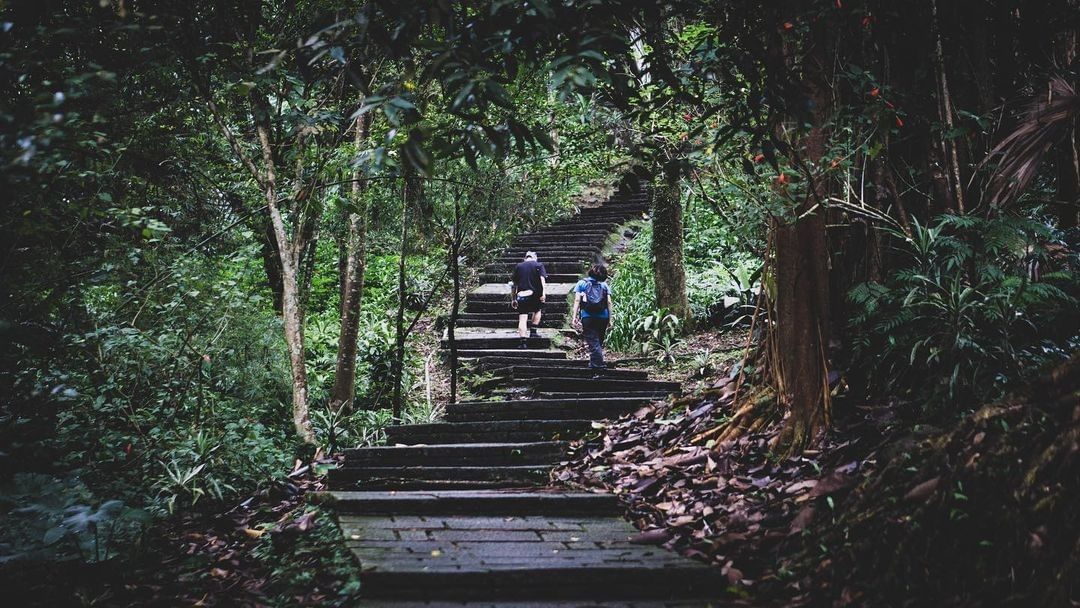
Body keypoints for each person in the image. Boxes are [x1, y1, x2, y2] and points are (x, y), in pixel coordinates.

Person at [571, 263, 613, 370]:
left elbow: (577, 300)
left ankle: (597, 366)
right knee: (598, 341)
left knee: (593, 342)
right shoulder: (604, 285)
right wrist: (610, 319)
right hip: (603, 316)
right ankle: (595, 363)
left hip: (588, 316)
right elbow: (609, 302)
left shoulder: (581, 283)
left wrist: (574, 317)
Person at [509, 251, 547, 348]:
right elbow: (542, 280)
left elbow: (514, 285)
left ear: (525, 258)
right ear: (535, 257)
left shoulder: (519, 266)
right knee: (538, 310)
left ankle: (523, 342)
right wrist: (543, 293)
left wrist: (513, 299)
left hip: (522, 295)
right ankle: (533, 331)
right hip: (535, 294)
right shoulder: (538, 265)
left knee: (522, 318)